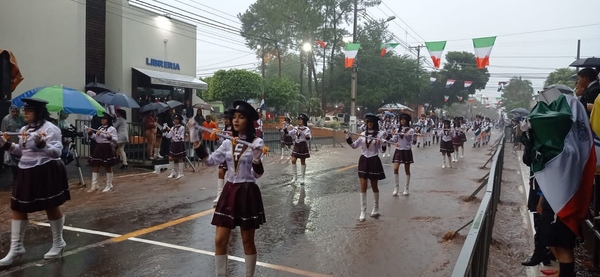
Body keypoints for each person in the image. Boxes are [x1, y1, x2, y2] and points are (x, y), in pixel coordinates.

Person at [194, 100, 265, 277]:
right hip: (230, 191)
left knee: (247, 241)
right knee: (219, 240)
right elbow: (209, 161)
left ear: (248, 121)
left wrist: (256, 158)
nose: (236, 120)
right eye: (234, 117)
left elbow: (257, 174)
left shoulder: (257, 142)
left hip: (247, 192)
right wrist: (196, 142)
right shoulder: (227, 142)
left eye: (241, 117)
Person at [0, 98, 70, 266]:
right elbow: (20, 151)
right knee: (18, 207)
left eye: (29, 111)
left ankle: (58, 242)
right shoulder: (24, 129)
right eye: (25, 110)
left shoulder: (51, 129)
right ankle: (16, 248)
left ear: (39, 112)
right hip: (25, 170)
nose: (25, 113)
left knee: (51, 206)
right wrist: (5, 144)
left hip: (45, 169)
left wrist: (42, 144)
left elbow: (56, 152)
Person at [345, 113, 386, 221]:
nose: (370, 124)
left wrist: (382, 143)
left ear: (375, 123)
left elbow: (382, 151)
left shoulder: (379, 134)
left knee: (374, 185)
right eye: (368, 122)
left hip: (374, 160)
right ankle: (363, 210)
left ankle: (376, 207)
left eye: (372, 122)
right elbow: (354, 146)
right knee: (363, 185)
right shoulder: (363, 134)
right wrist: (348, 137)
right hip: (363, 160)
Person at [87, 113, 118, 192]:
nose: (102, 120)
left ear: (108, 120)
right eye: (102, 119)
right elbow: (96, 138)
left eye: (104, 119)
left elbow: (115, 140)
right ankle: (94, 185)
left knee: (108, 166)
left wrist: (107, 136)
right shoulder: (100, 127)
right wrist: (90, 133)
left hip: (107, 148)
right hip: (99, 147)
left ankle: (109, 184)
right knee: (95, 165)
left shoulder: (111, 129)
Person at [389, 113, 414, 196]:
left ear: (407, 121)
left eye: (404, 119)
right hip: (398, 151)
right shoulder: (397, 130)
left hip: (406, 151)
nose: (402, 121)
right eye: (401, 119)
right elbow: (394, 140)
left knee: (407, 170)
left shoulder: (411, 130)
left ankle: (406, 188)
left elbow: (413, 142)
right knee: (395, 168)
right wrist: (391, 138)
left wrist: (408, 136)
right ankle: (396, 188)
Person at [1, 105, 25, 180]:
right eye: (13, 111)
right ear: (10, 111)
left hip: (21, 143)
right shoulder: (6, 119)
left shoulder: (21, 118)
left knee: (21, 165)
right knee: (13, 165)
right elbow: (3, 132)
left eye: (17, 111)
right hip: (10, 144)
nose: (15, 113)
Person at [214, 111, 233, 204]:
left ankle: (232, 195)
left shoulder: (236, 130)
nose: (226, 121)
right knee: (221, 172)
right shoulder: (224, 130)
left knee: (233, 174)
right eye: (225, 119)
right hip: (225, 154)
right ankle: (219, 195)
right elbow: (221, 142)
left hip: (234, 154)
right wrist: (218, 137)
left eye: (227, 119)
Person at [288, 114, 311, 184]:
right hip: (297, 145)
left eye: (301, 119)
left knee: (302, 161)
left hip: (303, 145)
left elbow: (308, 138)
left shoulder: (307, 129)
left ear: (304, 121)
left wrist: (303, 133)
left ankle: (302, 178)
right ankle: (295, 177)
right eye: (299, 119)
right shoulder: (296, 128)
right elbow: (289, 133)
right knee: (293, 160)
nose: (299, 121)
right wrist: (286, 130)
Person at [164, 114, 186, 179]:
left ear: (179, 120)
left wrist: (172, 131)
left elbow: (180, 137)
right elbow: (168, 136)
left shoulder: (182, 127)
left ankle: (180, 173)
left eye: (177, 119)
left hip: (179, 143)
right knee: (170, 157)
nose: (175, 120)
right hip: (174, 144)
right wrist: (165, 131)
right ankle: (173, 172)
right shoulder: (173, 127)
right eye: (175, 119)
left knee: (180, 158)